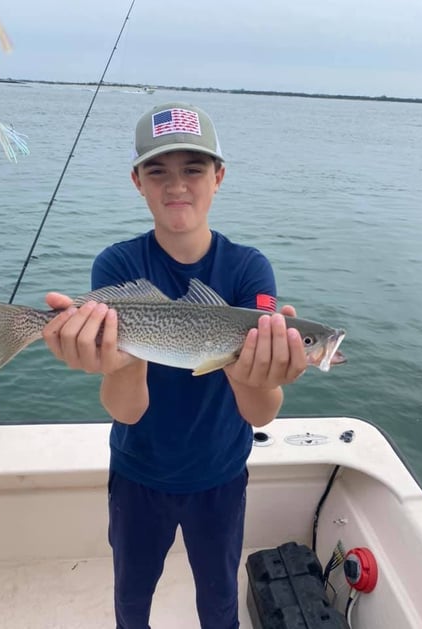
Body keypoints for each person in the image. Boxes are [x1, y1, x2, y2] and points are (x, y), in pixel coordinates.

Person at [42, 102, 307, 629]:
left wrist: (263, 372)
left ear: (219, 176)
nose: (177, 185)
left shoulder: (248, 268)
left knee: (219, 601)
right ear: (138, 181)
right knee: (132, 598)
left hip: (221, 476)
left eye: (193, 169)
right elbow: (127, 410)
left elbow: (260, 414)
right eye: (158, 171)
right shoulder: (117, 264)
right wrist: (117, 363)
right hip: (139, 473)